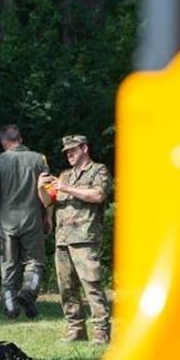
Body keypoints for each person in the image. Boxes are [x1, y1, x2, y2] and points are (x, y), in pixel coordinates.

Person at [37, 134, 113, 344]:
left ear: (84, 148)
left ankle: (101, 331)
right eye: (67, 152)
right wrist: (40, 187)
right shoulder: (64, 175)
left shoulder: (98, 170)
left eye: (73, 150)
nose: (69, 154)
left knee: (92, 285)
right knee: (66, 287)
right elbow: (47, 202)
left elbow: (98, 195)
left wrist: (67, 188)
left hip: (85, 238)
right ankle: (75, 329)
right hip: (63, 239)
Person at [0, 125, 51, 320]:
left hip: (7, 222)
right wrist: (49, 216)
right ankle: (29, 291)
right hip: (32, 218)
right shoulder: (39, 159)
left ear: (4, 142)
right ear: (21, 139)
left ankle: (10, 306)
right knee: (35, 262)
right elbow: (49, 190)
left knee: (8, 264)